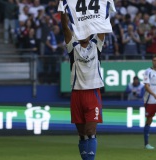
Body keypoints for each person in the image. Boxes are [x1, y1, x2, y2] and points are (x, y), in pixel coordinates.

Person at [60, 8, 105, 160]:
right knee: (82, 134)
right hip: (77, 93)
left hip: (92, 93)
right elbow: (65, 28)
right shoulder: (73, 47)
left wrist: (102, 8)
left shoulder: (96, 45)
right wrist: (62, 11)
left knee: (91, 130)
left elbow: (103, 25)